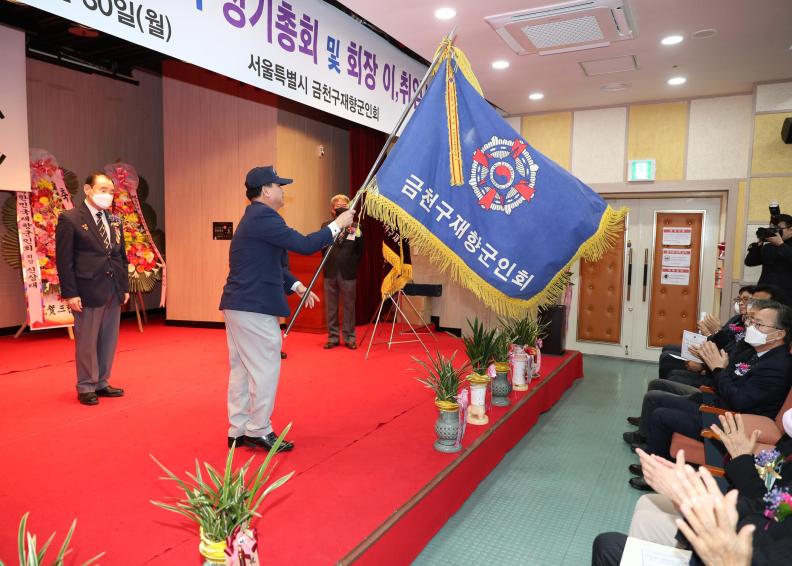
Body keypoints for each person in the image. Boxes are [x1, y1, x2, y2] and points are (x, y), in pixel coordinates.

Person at [219, 165, 354, 452]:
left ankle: (239, 429)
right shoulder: (264, 216)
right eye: (279, 186)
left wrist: (296, 286)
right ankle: (258, 430)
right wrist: (337, 225)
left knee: (242, 369)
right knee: (265, 368)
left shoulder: (255, 218)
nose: (283, 191)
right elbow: (305, 245)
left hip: (240, 304)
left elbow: (270, 263)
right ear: (266, 190)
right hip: (254, 307)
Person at [55, 173, 129, 405]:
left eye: (110, 191)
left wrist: (124, 286)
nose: (107, 195)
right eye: (102, 189)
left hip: (112, 288)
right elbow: (64, 259)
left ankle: (102, 382)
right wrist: (70, 292)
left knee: (108, 338)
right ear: (88, 189)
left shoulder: (115, 221)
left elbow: (120, 257)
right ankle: (86, 384)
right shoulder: (70, 218)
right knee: (87, 340)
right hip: (86, 289)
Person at [321, 194, 364, 350]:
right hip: (330, 272)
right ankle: (332, 337)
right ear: (333, 210)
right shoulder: (325, 226)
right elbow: (323, 249)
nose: (341, 207)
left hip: (348, 273)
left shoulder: (355, 226)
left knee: (349, 307)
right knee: (331, 307)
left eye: (344, 204)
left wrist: (351, 264)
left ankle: (349, 337)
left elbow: (360, 251)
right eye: (338, 205)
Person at [745, 213, 792, 304]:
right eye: (773, 228)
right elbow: (749, 262)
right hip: (764, 295)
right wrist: (759, 244)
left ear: (790, 230)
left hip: (786, 297)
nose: (775, 231)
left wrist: (780, 244)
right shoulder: (768, 247)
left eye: (778, 229)